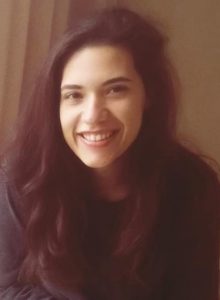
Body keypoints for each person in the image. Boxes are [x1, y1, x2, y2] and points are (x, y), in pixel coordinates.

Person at [0, 7, 219, 300]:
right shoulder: (23, 177)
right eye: (74, 95)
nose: (92, 116)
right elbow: (5, 286)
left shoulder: (193, 188)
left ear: (148, 95)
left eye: (116, 90)